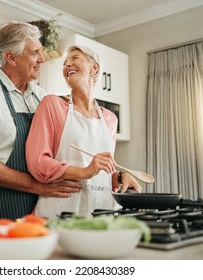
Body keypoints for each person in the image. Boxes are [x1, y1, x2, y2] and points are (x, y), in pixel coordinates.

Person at [0, 22, 82, 222]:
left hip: (34, 206)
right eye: (34, 53)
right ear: (11, 57)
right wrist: (33, 185)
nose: (42, 59)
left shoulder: (40, 96)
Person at [26, 45, 141, 219]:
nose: (67, 65)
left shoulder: (110, 119)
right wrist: (83, 172)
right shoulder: (52, 105)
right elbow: (38, 163)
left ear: (94, 68)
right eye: (64, 63)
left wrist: (119, 177)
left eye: (75, 58)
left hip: (101, 214)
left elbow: (101, 173)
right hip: (60, 212)